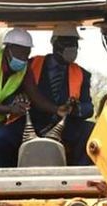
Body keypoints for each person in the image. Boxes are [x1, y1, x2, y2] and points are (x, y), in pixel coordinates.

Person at [0, 28, 70, 168]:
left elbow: (36, 97)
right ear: (8, 49)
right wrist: (10, 109)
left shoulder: (24, 69)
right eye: (20, 53)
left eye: (26, 54)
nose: (23, 58)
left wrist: (56, 109)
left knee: (0, 137)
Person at [28, 23, 95, 166]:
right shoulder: (32, 64)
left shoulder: (82, 74)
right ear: (54, 43)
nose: (72, 48)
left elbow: (89, 108)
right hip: (32, 123)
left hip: (65, 126)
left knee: (90, 129)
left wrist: (75, 109)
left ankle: (78, 171)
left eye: (75, 43)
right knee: (3, 136)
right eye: (67, 43)